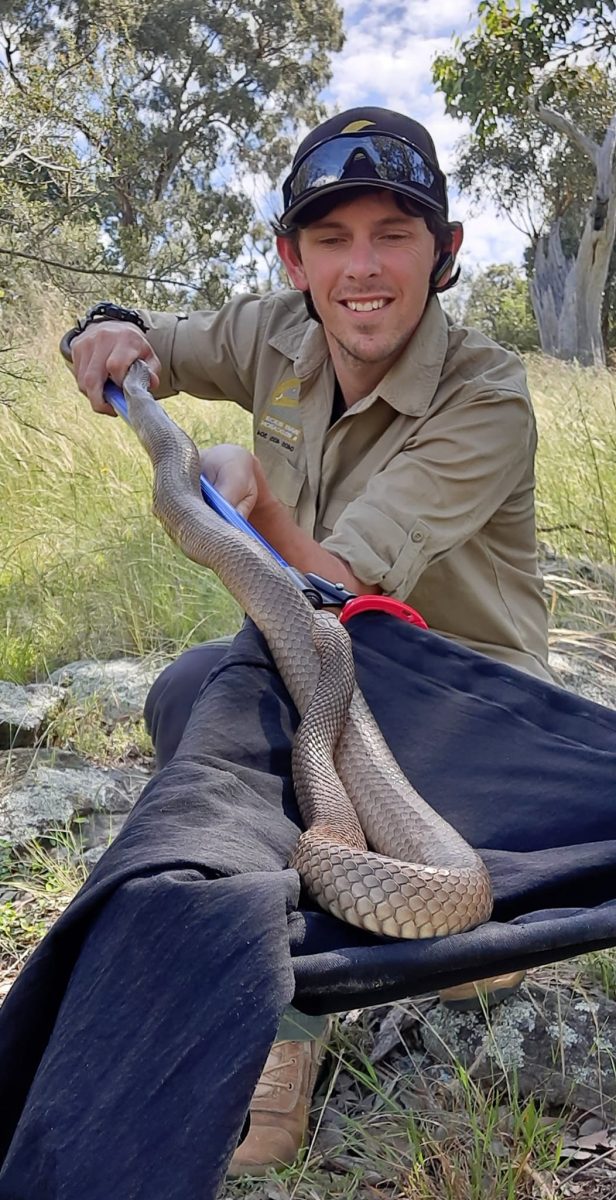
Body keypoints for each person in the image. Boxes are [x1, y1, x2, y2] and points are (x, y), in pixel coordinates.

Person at [64, 106, 552, 1177]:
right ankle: (296, 986)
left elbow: (343, 587)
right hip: (326, 658)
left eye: (394, 235)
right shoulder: (275, 333)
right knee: (202, 690)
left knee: (250, 716)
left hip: (460, 686)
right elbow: (149, 343)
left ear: (446, 252)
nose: (361, 269)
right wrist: (100, 329)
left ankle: (360, 977)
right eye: (330, 240)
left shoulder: (487, 395)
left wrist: (250, 515)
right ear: (293, 258)